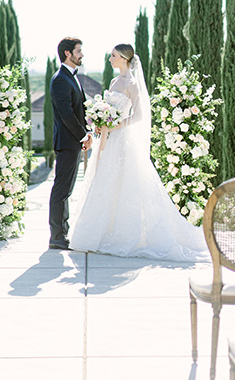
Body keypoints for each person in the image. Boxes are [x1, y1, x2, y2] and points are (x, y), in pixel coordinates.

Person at [69, 43, 208, 261]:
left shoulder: (131, 83)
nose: (110, 59)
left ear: (124, 59)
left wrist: (114, 125)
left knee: (124, 183)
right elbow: (108, 112)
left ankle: (125, 233)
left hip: (123, 140)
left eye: (113, 56)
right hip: (108, 139)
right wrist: (100, 123)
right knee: (107, 182)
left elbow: (140, 116)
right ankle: (103, 231)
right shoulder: (114, 81)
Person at [48, 37, 92, 250]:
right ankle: (56, 236)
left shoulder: (71, 77)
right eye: (78, 51)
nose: (81, 54)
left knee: (66, 190)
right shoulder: (60, 80)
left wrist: (88, 131)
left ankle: (61, 234)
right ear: (68, 53)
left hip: (72, 142)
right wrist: (83, 136)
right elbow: (66, 114)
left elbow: (78, 110)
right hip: (66, 143)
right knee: (61, 189)